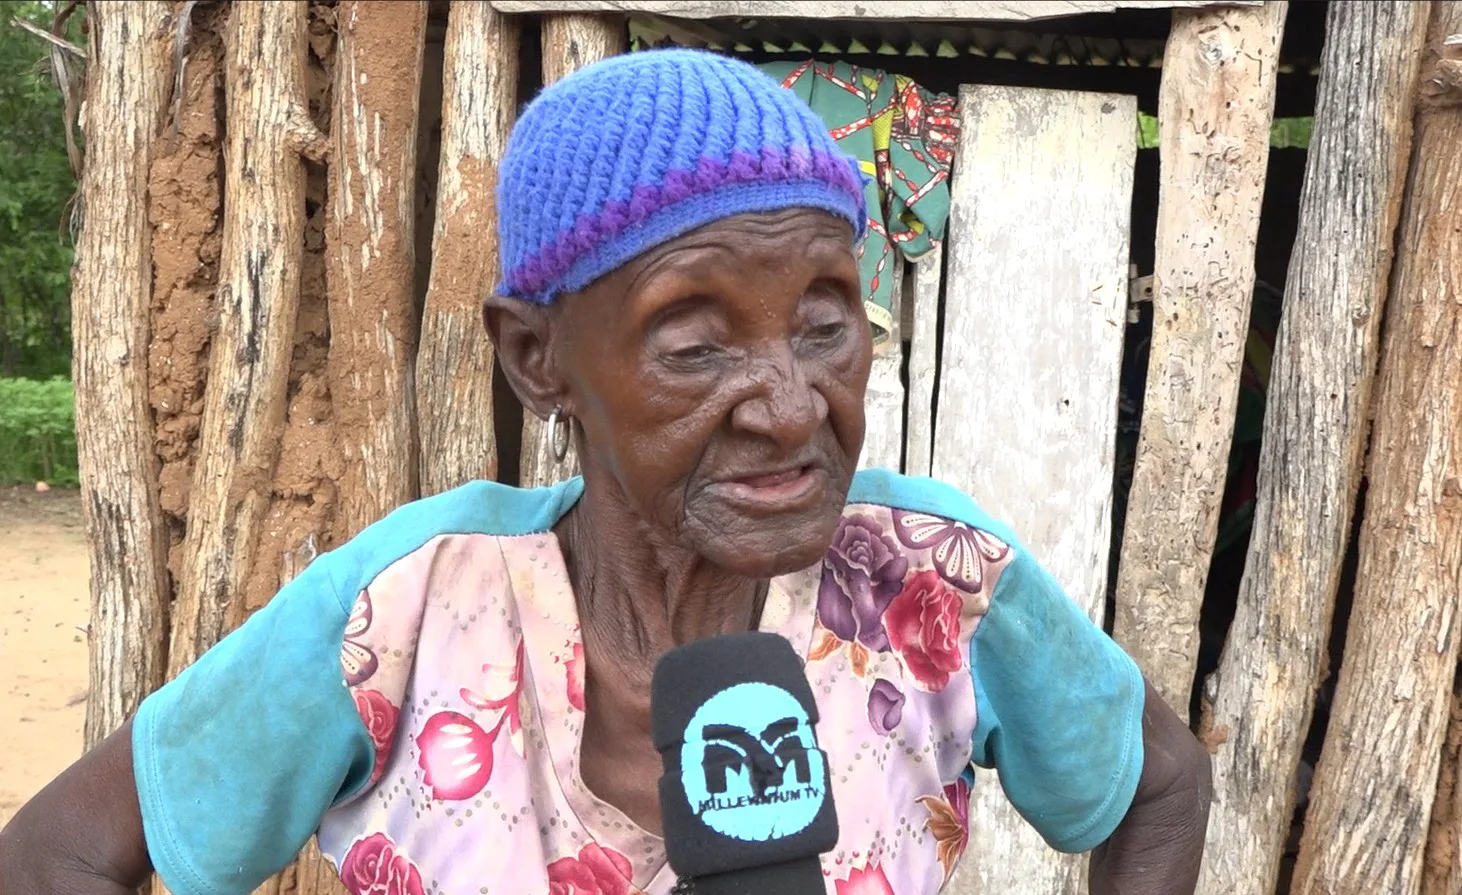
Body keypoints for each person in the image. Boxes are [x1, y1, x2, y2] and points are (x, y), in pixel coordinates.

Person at [0, 49, 1211, 895]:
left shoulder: (932, 578)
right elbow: (56, 854)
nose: (791, 406)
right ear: (538, 362)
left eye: (826, 322)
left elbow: (1160, 785)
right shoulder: (410, 605)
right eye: (695, 344)